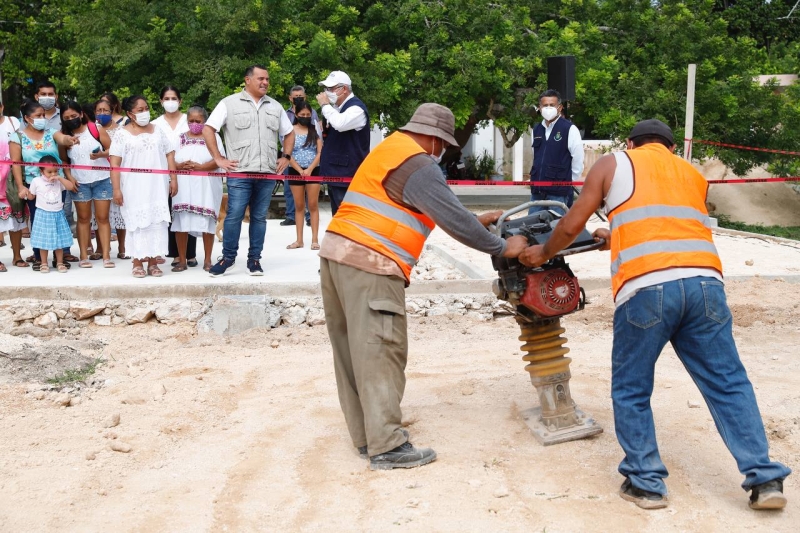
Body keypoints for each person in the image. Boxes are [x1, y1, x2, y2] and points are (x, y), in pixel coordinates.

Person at [518, 118, 791, 510]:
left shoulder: (613, 163)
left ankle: (646, 483)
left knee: (631, 388)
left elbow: (571, 222)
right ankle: (764, 480)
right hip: (705, 286)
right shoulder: (690, 173)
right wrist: (615, 235)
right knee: (728, 383)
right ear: (670, 148)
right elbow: (667, 221)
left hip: (647, 288)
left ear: (631, 143)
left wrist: (542, 253)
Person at [319, 103, 528, 470]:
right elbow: (450, 217)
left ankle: (368, 437)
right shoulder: (419, 164)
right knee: (382, 351)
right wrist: (501, 245)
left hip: (337, 256)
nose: (443, 151)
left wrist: (475, 220)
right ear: (435, 139)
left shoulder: (390, 150)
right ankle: (387, 446)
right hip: (372, 264)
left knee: (353, 354)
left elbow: (417, 209)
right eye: (444, 145)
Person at [203, 64, 295, 277]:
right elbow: (209, 129)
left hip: (267, 173)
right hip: (240, 172)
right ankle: (228, 258)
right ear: (248, 80)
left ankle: (254, 260)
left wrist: (286, 157)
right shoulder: (229, 103)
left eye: (267, 79)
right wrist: (218, 159)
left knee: (259, 218)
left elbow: (288, 134)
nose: (265, 82)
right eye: (261, 78)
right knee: (234, 216)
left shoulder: (275, 106)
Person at [109, 95, 178, 278]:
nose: (144, 112)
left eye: (146, 108)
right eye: (140, 110)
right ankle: (137, 261)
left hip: (157, 185)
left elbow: (170, 154)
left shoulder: (158, 130)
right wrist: (116, 189)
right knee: (137, 223)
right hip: (133, 187)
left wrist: (174, 179)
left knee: (156, 222)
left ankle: (154, 262)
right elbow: (114, 163)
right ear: (130, 114)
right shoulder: (121, 134)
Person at [9, 99, 79, 270]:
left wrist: (69, 139)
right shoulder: (17, 137)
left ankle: (59, 257)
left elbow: (62, 139)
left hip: (56, 183)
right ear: (27, 118)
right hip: (35, 186)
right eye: (38, 115)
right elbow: (16, 164)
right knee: (38, 221)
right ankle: (41, 258)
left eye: (43, 115)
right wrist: (21, 187)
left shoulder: (51, 132)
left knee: (59, 219)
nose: (42, 118)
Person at [60, 101, 115, 269]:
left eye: (74, 116)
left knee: (103, 218)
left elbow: (113, 151)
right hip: (80, 182)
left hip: (102, 179)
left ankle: (106, 256)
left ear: (81, 114)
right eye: (67, 117)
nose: (71, 119)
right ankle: (84, 256)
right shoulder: (65, 137)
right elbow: (64, 161)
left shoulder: (95, 129)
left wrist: (100, 155)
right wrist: (70, 177)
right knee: (83, 219)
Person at [171, 106, 225, 272]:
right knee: (182, 222)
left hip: (206, 186)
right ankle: (182, 260)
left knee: (207, 222)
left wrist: (201, 167)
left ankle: (208, 260)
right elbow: (170, 158)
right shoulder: (179, 138)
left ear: (205, 121)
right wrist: (180, 165)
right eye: (191, 121)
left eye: (198, 121)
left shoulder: (213, 137)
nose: (194, 124)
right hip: (184, 186)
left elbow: (219, 159)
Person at [152, 85, 199, 268]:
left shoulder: (190, 120)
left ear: (180, 101)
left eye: (174, 98)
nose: (170, 102)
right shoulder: (155, 124)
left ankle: (191, 254)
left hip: (190, 173)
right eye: (167, 98)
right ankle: (176, 254)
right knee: (172, 214)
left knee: (189, 211)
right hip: (166, 175)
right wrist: (174, 166)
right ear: (161, 101)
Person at [315, 71, 369, 216]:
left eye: (331, 89)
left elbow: (340, 124)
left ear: (344, 89)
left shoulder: (356, 108)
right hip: (336, 173)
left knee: (347, 218)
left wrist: (325, 106)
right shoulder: (337, 109)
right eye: (326, 89)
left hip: (347, 174)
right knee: (338, 218)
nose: (327, 93)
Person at [528, 89, 584, 215]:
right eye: (545, 105)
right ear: (539, 108)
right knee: (532, 228)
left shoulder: (569, 129)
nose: (548, 108)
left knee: (556, 229)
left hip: (559, 193)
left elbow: (578, 160)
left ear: (559, 108)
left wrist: (567, 181)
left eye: (552, 105)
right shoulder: (536, 129)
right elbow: (535, 156)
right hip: (537, 191)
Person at [25, 156, 75, 273]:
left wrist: (60, 178)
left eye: (55, 171)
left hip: (58, 213)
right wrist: (26, 194)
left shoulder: (59, 181)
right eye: (49, 172)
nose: (53, 174)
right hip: (43, 214)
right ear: (41, 171)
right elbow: (32, 196)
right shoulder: (36, 181)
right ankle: (43, 263)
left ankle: (59, 262)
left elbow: (70, 187)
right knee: (44, 240)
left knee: (59, 240)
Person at [281, 85, 320, 227]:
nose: (298, 98)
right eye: (295, 96)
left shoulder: (312, 112)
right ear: (290, 98)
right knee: (289, 190)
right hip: (290, 158)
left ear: (305, 97)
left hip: (311, 160)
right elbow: (282, 136)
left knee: (311, 196)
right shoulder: (285, 114)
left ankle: (310, 217)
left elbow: (317, 132)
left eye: (301, 96)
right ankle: (291, 216)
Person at [94, 98, 128, 259]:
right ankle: (100, 248)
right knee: (100, 215)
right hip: (98, 176)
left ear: (112, 110)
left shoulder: (121, 129)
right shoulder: (92, 129)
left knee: (120, 213)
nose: (102, 114)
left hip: (118, 174)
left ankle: (123, 247)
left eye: (105, 110)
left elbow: (118, 150)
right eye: (98, 110)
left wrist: (102, 153)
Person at [285, 101, 323, 250]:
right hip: (295, 171)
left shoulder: (315, 131)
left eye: (308, 115)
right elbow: (287, 153)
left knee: (313, 205)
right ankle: (299, 240)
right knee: (299, 206)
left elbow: (320, 152)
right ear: (296, 114)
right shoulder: (290, 130)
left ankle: (315, 239)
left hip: (314, 170)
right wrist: (300, 170)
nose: (305, 117)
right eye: (302, 115)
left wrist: (309, 169)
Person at [0, 135, 27, 271]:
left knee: (16, 224)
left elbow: (16, 162)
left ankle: (17, 256)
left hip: (11, 188)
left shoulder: (8, 140)